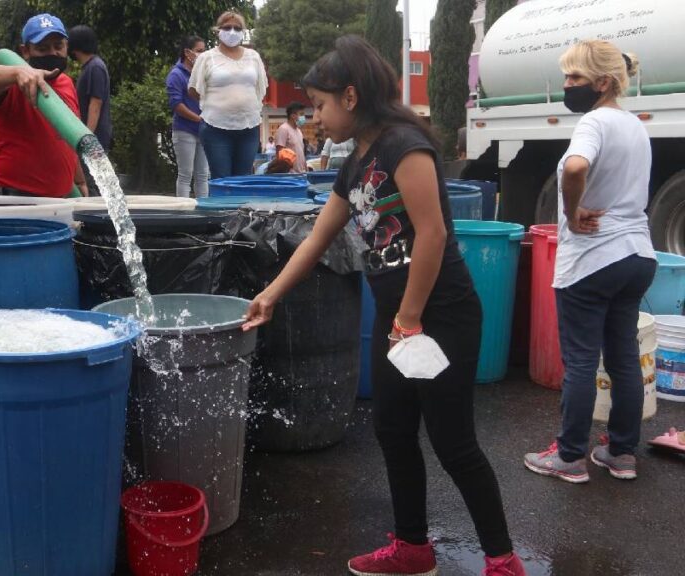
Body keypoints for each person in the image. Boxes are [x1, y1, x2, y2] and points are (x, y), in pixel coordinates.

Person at [242, 36, 525, 576]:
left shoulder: (403, 145)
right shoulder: (355, 165)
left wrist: (411, 317)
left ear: (350, 96)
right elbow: (317, 239)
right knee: (392, 430)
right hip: (402, 322)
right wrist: (271, 295)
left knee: (454, 442)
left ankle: (503, 560)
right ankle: (413, 548)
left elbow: (433, 234)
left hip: (439, 317)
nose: (316, 118)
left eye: (321, 105)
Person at [524, 41, 656, 483]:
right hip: (637, 256)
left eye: (575, 78)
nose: (567, 85)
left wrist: (573, 209)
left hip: (594, 259)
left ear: (602, 83)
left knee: (581, 362)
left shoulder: (594, 121)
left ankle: (569, 457)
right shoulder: (635, 125)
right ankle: (621, 454)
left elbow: (575, 169)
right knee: (622, 358)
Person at [0, 13, 89, 197]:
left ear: (67, 46)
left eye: (58, 46)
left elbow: (67, 135)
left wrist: (80, 181)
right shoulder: (13, 83)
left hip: (62, 198)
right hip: (19, 200)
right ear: (26, 51)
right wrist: (17, 73)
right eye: (43, 48)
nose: (53, 53)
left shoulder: (67, 83)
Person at [188, 10, 268, 178]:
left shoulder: (253, 57)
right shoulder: (207, 58)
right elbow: (194, 89)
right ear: (218, 30)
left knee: (243, 179)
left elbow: (260, 88)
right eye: (227, 27)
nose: (232, 31)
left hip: (249, 127)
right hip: (215, 128)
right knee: (221, 179)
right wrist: (216, 104)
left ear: (243, 31)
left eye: (237, 28)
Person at [68, 24, 111, 197]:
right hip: (91, 136)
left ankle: (96, 222)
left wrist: (87, 138)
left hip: (94, 138)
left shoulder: (96, 67)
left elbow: (96, 104)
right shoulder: (89, 67)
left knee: (94, 185)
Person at [166, 35, 209, 198]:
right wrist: (199, 119)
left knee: (203, 175)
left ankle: (203, 211)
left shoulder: (202, 73)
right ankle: (182, 211)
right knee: (185, 175)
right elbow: (176, 105)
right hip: (184, 131)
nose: (202, 55)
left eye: (204, 51)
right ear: (187, 52)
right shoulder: (176, 74)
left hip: (203, 131)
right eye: (199, 51)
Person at [274, 102, 308, 174]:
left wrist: (306, 169)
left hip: (301, 173)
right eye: (301, 114)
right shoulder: (283, 129)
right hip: (290, 174)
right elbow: (279, 153)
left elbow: (301, 153)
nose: (304, 117)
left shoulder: (299, 131)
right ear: (293, 116)